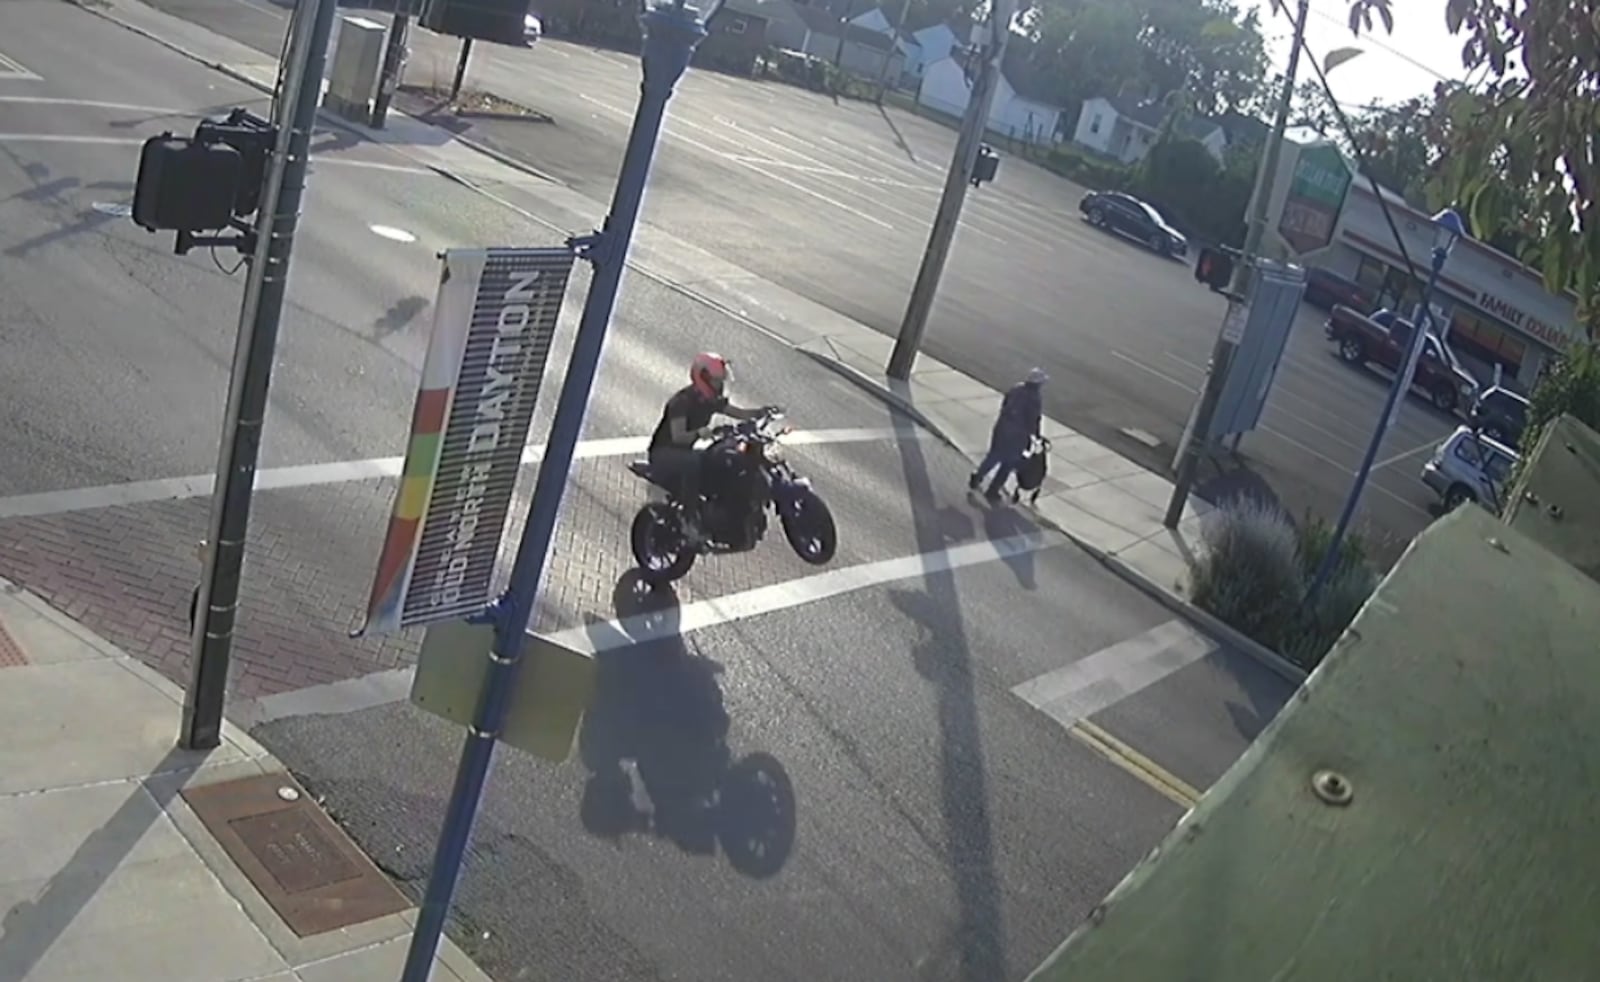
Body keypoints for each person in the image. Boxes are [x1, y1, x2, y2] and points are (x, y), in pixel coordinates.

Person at [648, 352, 771, 535]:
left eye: (721, 381)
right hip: (663, 454)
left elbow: (736, 412)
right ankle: (689, 519)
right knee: (695, 462)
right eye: (716, 381)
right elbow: (678, 436)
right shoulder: (681, 401)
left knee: (721, 459)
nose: (720, 385)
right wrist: (699, 433)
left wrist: (760, 413)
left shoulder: (710, 400)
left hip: (682, 452)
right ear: (703, 377)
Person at [969, 367, 1047, 502]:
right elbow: (1033, 420)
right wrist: (1036, 435)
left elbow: (1005, 403)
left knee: (994, 455)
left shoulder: (1016, 388)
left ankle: (977, 476)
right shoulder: (1035, 398)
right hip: (1017, 435)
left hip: (1002, 427)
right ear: (1038, 384)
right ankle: (993, 490)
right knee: (1008, 464)